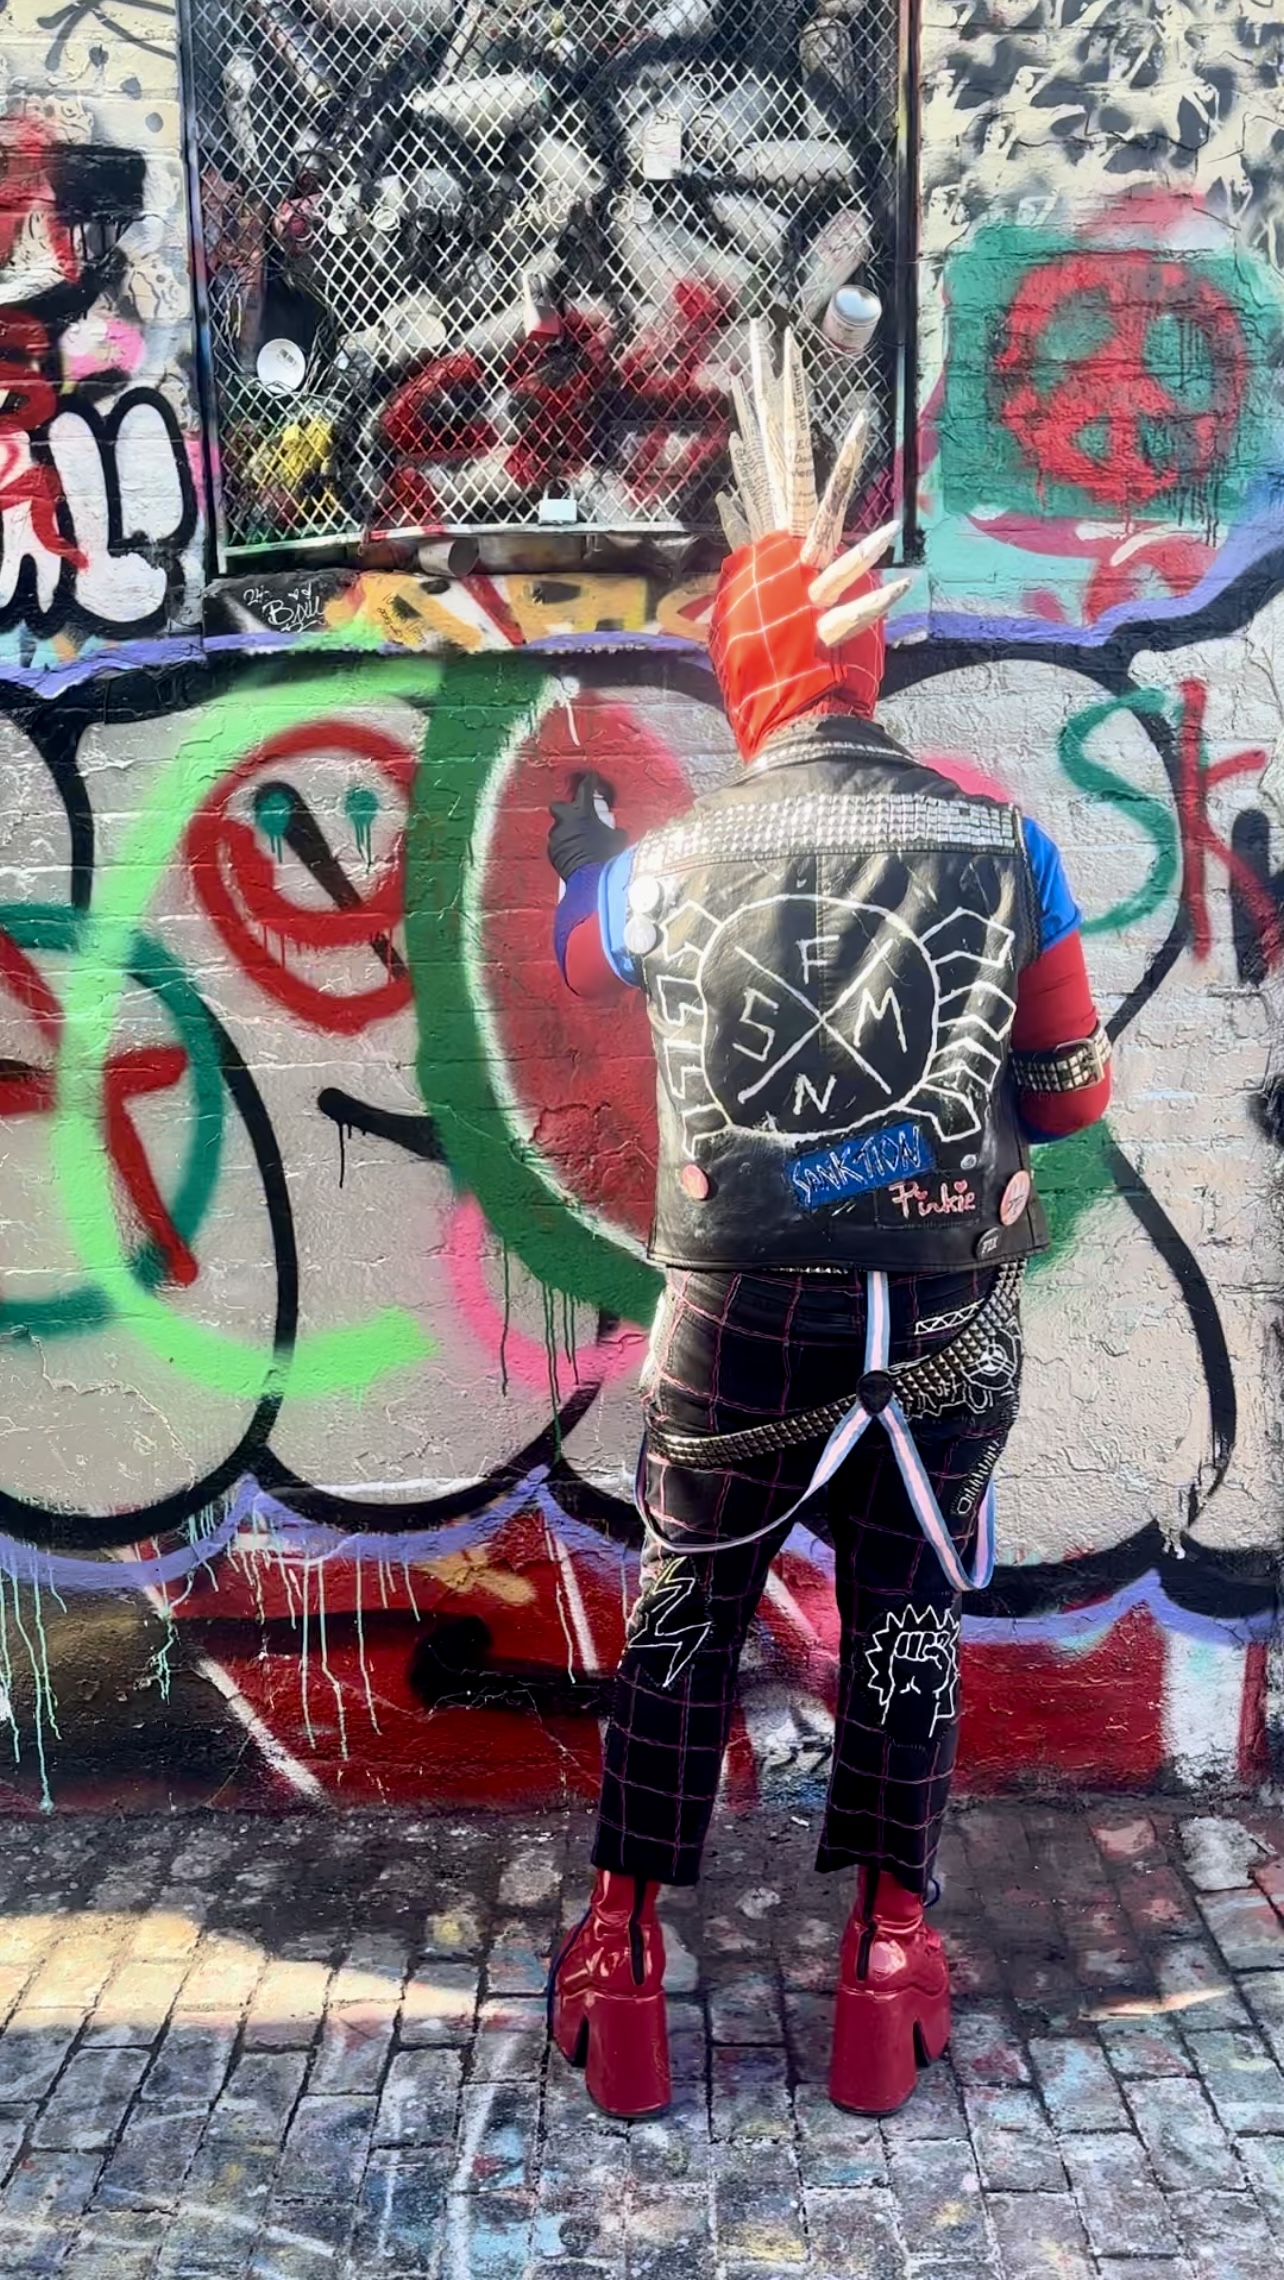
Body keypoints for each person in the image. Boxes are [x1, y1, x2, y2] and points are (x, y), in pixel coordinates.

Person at [543, 326, 1111, 2122]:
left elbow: (577, 957)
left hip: (738, 1311)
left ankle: (622, 1961)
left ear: (745, 668)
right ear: (864, 659)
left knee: (687, 1611)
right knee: (907, 1617)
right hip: (941, 1306)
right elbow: (1078, 1089)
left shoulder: (671, 859)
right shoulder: (1003, 841)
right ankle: (885, 1965)